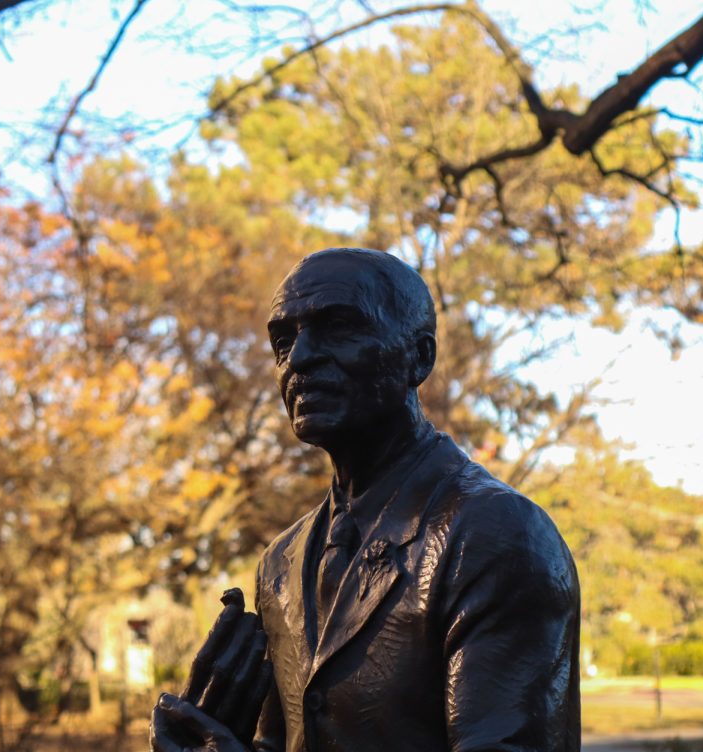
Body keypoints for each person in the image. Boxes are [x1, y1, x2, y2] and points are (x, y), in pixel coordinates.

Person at [152, 248, 581, 752]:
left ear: (419, 357)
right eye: (282, 341)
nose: (301, 359)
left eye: (337, 328)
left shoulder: (494, 535)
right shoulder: (280, 565)